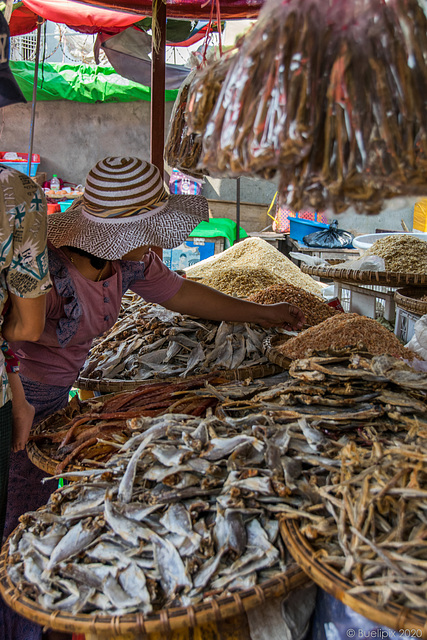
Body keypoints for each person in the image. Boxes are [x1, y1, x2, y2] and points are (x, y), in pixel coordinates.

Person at [3, 156, 304, 640]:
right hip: (24, 401)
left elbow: (181, 294)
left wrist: (263, 313)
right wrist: (20, 403)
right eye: (153, 228)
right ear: (121, 233)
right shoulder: (49, 272)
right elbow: (8, 337)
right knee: (22, 523)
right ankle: (26, 626)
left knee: (49, 509)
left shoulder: (129, 263)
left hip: (62, 400)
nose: (161, 240)